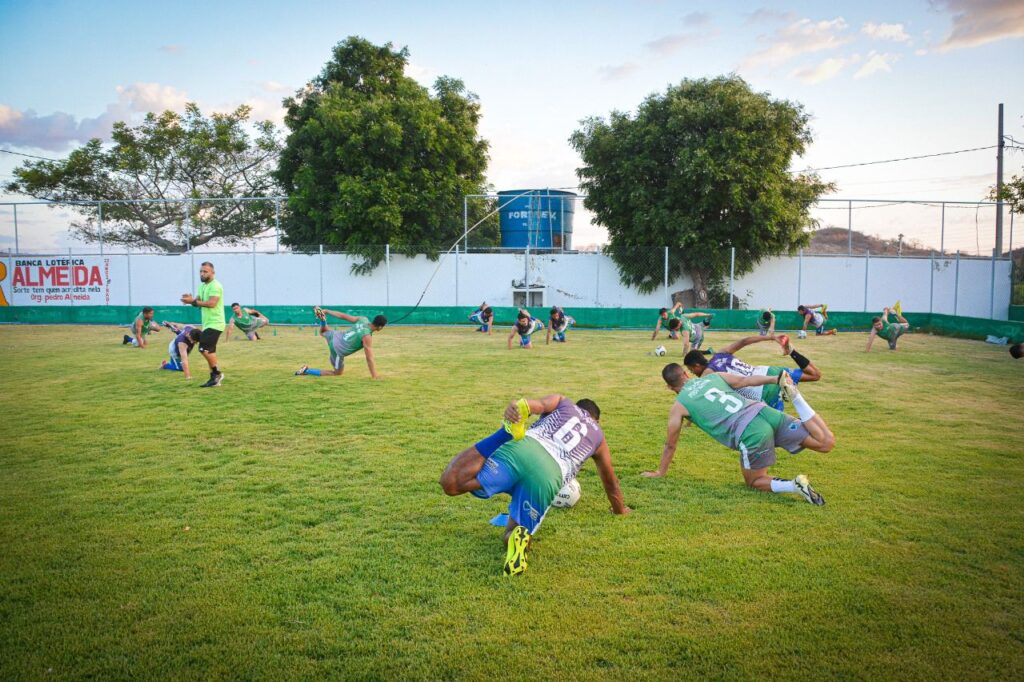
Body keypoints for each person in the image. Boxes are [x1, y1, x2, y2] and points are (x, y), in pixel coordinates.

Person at [439, 394, 631, 575]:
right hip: (549, 476)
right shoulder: (599, 437)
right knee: (514, 532)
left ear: (578, 408)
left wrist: (518, 409)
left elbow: (531, 406)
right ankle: (516, 537)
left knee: (453, 483)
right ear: (596, 420)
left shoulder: (563, 401)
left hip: (521, 451)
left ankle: (504, 434)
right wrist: (619, 509)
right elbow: (610, 481)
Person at [643, 363, 835, 506]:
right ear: (686, 373)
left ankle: (794, 486)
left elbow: (670, 445)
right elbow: (745, 381)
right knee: (825, 443)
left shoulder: (679, 406)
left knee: (754, 481)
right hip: (766, 412)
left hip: (751, 432)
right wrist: (775, 379)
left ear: (669, 387)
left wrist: (660, 472)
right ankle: (797, 397)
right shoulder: (714, 376)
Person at [682, 334, 823, 411]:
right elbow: (744, 341)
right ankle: (791, 352)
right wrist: (771, 337)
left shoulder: (708, 374)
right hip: (768, 371)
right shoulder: (721, 353)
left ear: (696, 365)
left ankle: (804, 424)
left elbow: (698, 396)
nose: (693, 373)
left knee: (779, 429)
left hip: (763, 390)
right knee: (815, 375)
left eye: (691, 370)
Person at [295, 307, 387, 378]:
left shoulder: (363, 319)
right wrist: (374, 375)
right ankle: (306, 371)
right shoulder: (367, 336)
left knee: (323, 332)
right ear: (380, 327)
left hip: (335, 336)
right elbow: (369, 358)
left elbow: (343, 316)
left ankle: (323, 320)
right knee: (337, 373)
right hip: (337, 349)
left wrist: (327, 311)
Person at [180, 262, 225, 388]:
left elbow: (211, 303)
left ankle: (217, 373)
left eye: (205, 271)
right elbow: (197, 302)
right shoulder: (202, 286)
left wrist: (193, 301)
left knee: (203, 349)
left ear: (212, 273)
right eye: (201, 271)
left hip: (216, 323)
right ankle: (214, 378)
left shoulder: (215, 286)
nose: (202, 273)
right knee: (209, 351)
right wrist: (190, 300)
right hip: (207, 323)